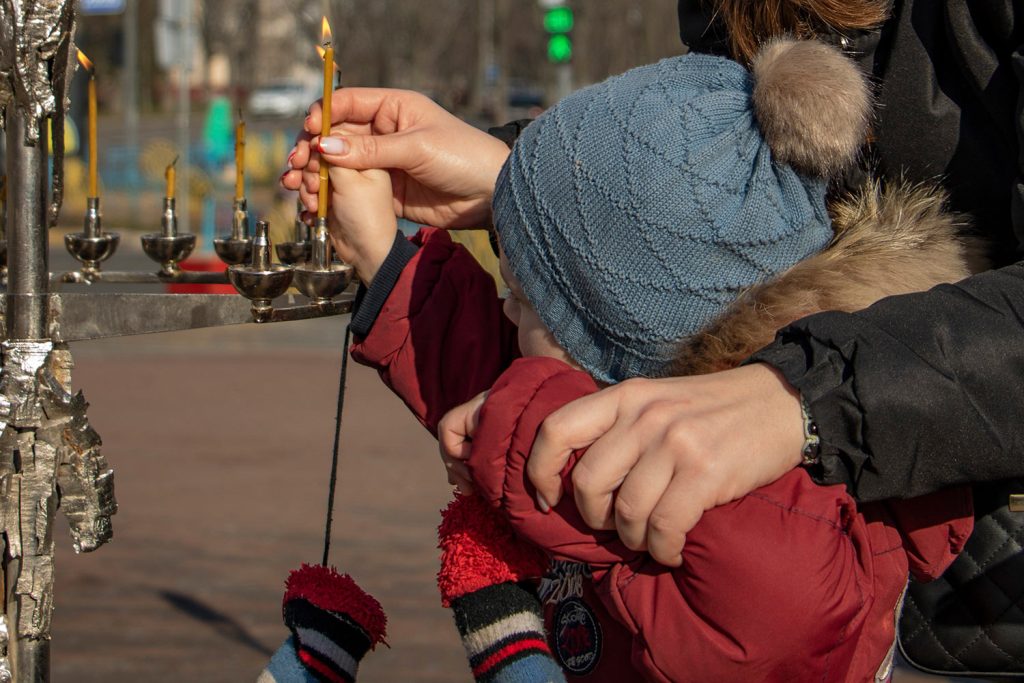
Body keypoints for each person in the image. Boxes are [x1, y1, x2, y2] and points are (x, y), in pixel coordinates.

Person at [308, 39, 980, 681]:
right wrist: (384, 256)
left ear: (624, 352)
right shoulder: (593, 398)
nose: (506, 310)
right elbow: (507, 402)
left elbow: (765, 626)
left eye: (524, 297)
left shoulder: (789, 502)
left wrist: (518, 420)